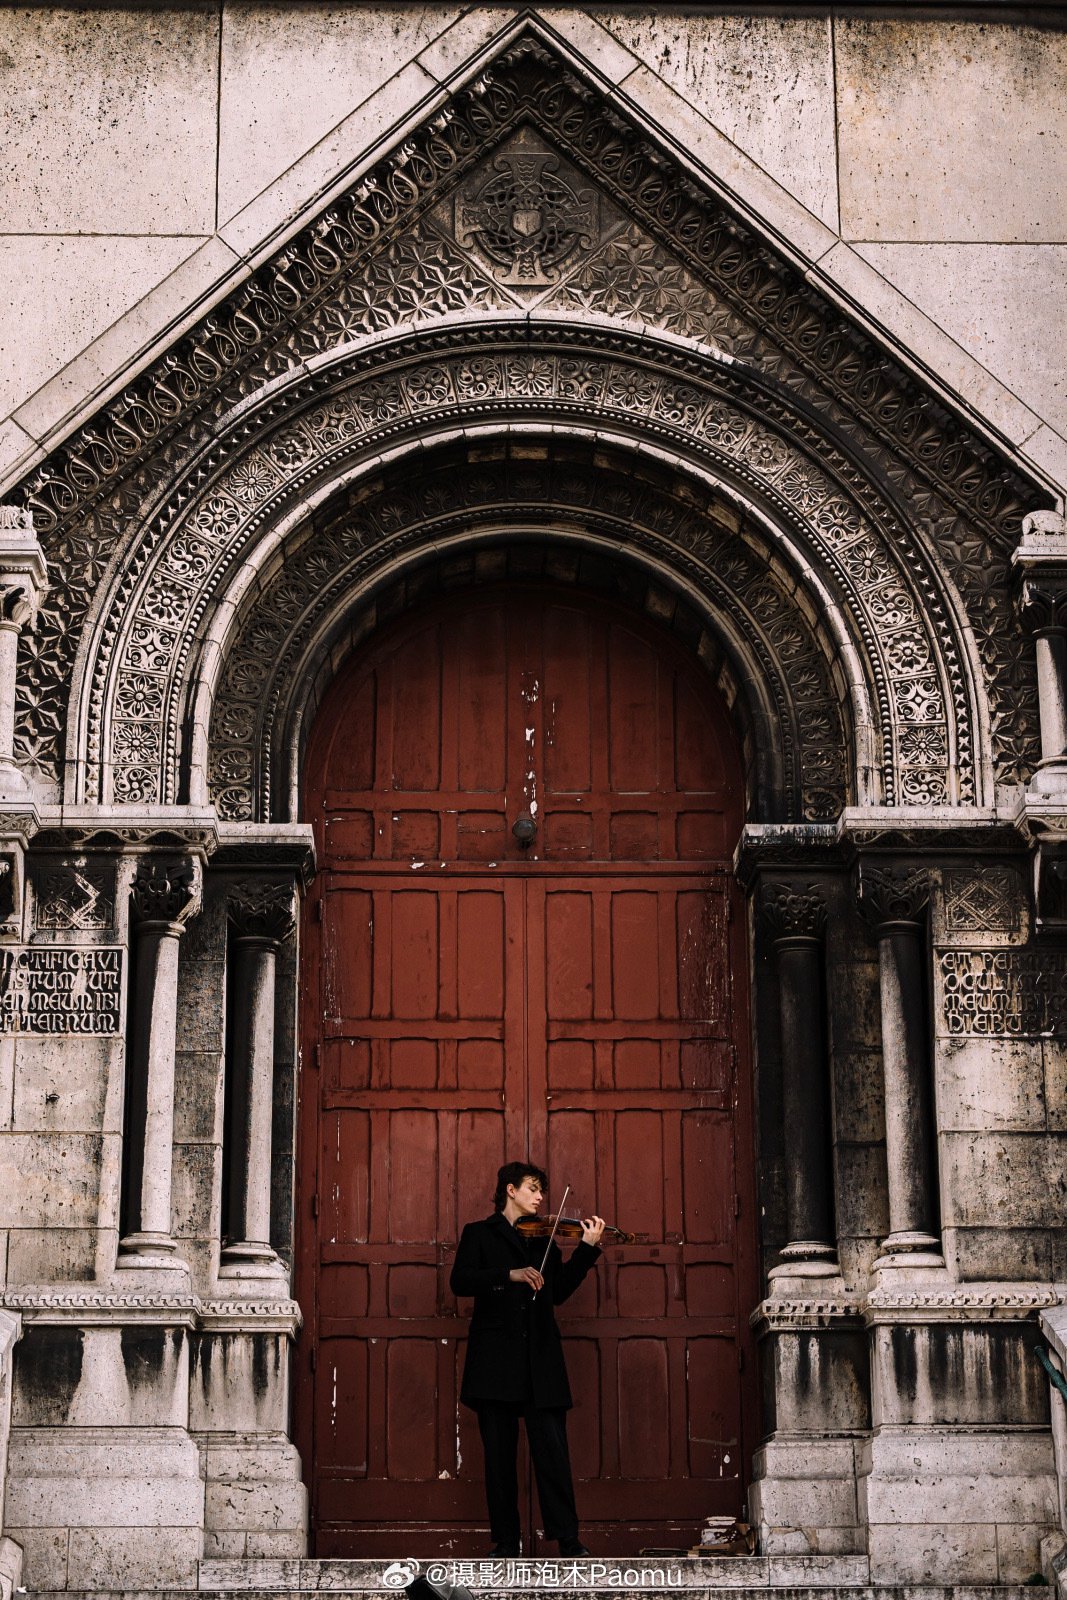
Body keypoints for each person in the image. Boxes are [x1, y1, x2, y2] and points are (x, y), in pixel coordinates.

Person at [450, 1161, 605, 1557]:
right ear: (510, 1190)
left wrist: (586, 1252)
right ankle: (506, 1542)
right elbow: (461, 1281)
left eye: (542, 1191)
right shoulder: (479, 1234)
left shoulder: (545, 1241)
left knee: (553, 1453)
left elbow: (556, 1294)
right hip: (495, 1362)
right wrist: (510, 1274)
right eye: (533, 1188)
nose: (540, 1197)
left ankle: (568, 1539)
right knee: (499, 1459)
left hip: (540, 1361)